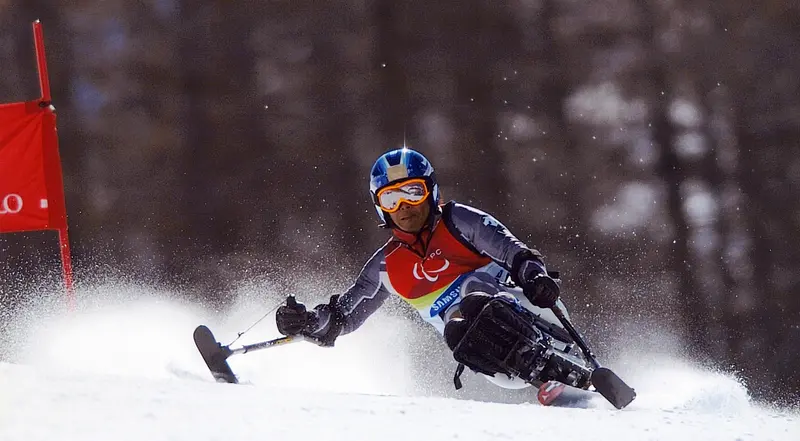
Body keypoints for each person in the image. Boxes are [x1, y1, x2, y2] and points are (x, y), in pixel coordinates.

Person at [275, 147, 562, 389]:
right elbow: (343, 317)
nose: (403, 205)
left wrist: (536, 276)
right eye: (390, 198)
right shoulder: (387, 266)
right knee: (456, 326)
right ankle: (545, 378)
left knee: (472, 295)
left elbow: (515, 253)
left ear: (430, 191)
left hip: (536, 314)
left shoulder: (459, 221)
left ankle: (555, 361)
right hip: (495, 358)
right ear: (380, 206)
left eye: (413, 191)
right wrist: (307, 322)